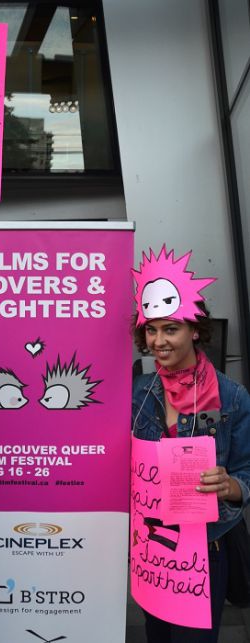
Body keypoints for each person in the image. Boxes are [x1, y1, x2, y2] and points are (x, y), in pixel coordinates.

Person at [132, 246, 250, 643]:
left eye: (170, 329)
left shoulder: (231, 398)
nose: (158, 342)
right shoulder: (140, 394)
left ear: (195, 329)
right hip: (152, 548)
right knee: (157, 636)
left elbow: (247, 471)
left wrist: (230, 486)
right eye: (151, 330)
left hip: (207, 547)